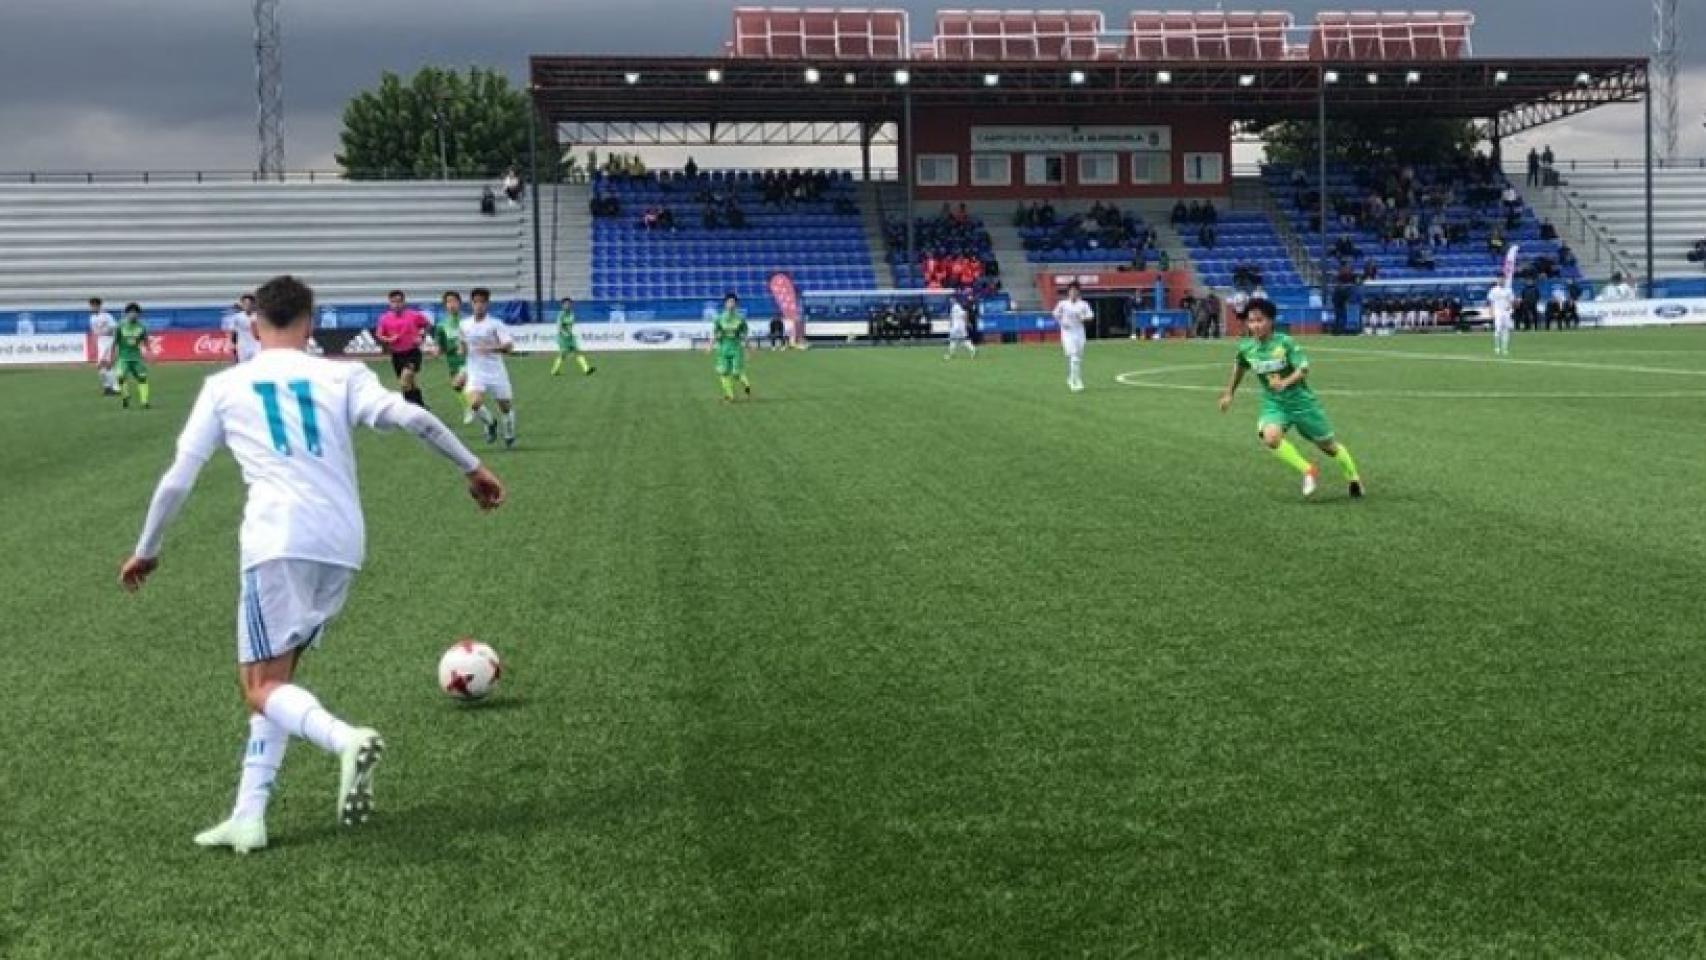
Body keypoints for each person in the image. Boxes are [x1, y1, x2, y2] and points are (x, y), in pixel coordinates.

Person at [118, 274, 504, 855]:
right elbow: (414, 418)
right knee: (278, 683)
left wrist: (147, 549)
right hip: (343, 543)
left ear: (254, 323)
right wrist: (472, 468)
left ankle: (345, 739)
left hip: (277, 539)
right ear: (311, 321)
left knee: (258, 686)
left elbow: (178, 479)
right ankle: (248, 815)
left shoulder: (226, 385)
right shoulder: (341, 374)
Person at [1217, 298, 1363, 499]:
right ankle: (1308, 470)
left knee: (1329, 447)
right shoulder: (1246, 348)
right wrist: (1229, 394)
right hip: (1275, 404)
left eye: (1260, 320)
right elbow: (1239, 367)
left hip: (1302, 402)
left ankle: (1353, 477)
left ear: (1270, 321)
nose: (1255, 325)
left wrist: (1284, 383)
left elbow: (1303, 369)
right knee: (1270, 437)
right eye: (1251, 321)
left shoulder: (1285, 342)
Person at [459, 288, 518, 448]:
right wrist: (462, 369)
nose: (479, 305)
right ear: (471, 303)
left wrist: (491, 348)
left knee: (505, 407)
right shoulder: (464, 325)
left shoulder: (495, 324)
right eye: (475, 302)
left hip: (496, 371)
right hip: (475, 371)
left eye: (482, 302)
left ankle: (509, 432)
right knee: (474, 403)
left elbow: (509, 347)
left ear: (487, 304)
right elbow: (463, 349)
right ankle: (490, 423)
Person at [375, 290, 433, 407]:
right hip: (397, 355)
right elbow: (379, 335)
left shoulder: (414, 315)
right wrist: (389, 340)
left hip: (412, 353)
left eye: (399, 301)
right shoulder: (384, 318)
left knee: (404, 381)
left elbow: (427, 325)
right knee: (410, 383)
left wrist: (421, 336)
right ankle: (420, 405)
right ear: (389, 303)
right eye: (393, 302)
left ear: (404, 302)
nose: (396, 304)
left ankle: (409, 408)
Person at [434, 291, 472, 423]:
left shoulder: (469, 321)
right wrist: (437, 351)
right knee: (458, 387)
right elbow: (441, 346)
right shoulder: (441, 325)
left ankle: (472, 408)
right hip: (452, 361)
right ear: (445, 305)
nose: (451, 304)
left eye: (454, 301)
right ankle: (469, 408)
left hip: (469, 360)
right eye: (448, 302)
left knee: (461, 384)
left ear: (460, 303)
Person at [1053, 282, 1093, 393]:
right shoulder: (1062, 304)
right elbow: (1055, 313)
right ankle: (1076, 382)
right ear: (1068, 292)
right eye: (1071, 291)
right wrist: (1061, 322)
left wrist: (1083, 318)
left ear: (1078, 292)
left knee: (1078, 357)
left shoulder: (1083, 304)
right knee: (1074, 356)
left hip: (1079, 332)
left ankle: (1071, 378)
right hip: (1067, 332)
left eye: (1075, 291)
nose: (1073, 293)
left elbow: (1090, 315)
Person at [712, 293, 752, 402]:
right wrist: (710, 345)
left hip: (736, 348)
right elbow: (715, 333)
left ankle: (746, 385)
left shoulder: (740, 319)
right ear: (725, 304)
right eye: (729, 302)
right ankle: (729, 396)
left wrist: (748, 350)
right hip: (723, 349)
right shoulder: (719, 318)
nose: (731, 304)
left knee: (736, 373)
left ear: (736, 304)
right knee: (724, 372)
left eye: (733, 302)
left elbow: (744, 335)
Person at [113, 303, 152, 410]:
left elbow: (146, 341)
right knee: (120, 376)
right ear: (126, 314)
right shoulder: (120, 326)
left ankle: (144, 402)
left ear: (139, 314)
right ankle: (125, 396)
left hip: (137, 358)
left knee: (142, 378)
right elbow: (115, 342)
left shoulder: (142, 327)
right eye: (131, 312)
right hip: (123, 358)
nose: (133, 314)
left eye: (136, 312)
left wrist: (149, 352)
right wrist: (111, 356)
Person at [551, 297, 595, 376]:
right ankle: (554, 371)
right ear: (562, 305)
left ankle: (587, 369)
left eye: (569, 304)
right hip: (563, 338)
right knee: (563, 355)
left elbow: (571, 324)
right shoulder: (561, 314)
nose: (568, 305)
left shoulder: (571, 313)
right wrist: (564, 333)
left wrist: (569, 333)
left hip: (570, 337)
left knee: (577, 352)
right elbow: (559, 326)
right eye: (566, 304)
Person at [88, 297, 118, 396]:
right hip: (100, 341)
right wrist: (93, 345)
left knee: (107, 365)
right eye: (91, 306)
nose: (91, 308)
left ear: (98, 306)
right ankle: (109, 387)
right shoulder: (92, 318)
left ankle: (112, 387)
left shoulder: (107, 316)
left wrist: (113, 342)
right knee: (102, 366)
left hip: (108, 340)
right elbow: (94, 333)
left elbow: (114, 328)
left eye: (93, 306)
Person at [223, 293, 261, 364]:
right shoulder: (237, 317)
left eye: (249, 304)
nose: (247, 306)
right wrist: (231, 342)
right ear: (242, 304)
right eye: (245, 304)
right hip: (243, 346)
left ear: (253, 304)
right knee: (243, 367)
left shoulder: (258, 316)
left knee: (257, 365)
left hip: (256, 345)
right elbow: (231, 330)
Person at [1487, 279, 1515, 357]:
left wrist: (1510, 307)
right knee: (1498, 329)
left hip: (1506, 312)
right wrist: (1491, 311)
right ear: (1498, 281)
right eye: (1500, 280)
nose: (1501, 281)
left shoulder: (1509, 290)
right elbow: (1491, 301)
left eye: (1503, 280)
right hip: (1498, 312)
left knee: (1506, 330)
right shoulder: (1494, 290)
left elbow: (1511, 300)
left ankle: (1505, 348)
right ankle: (1497, 348)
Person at [945, 295, 977, 361]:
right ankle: (973, 350)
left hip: (958, 327)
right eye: (950, 299)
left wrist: (967, 323)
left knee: (953, 340)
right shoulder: (954, 307)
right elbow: (954, 317)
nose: (950, 300)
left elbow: (964, 314)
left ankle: (950, 354)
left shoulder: (957, 307)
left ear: (954, 299)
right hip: (959, 327)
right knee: (963, 340)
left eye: (951, 299)